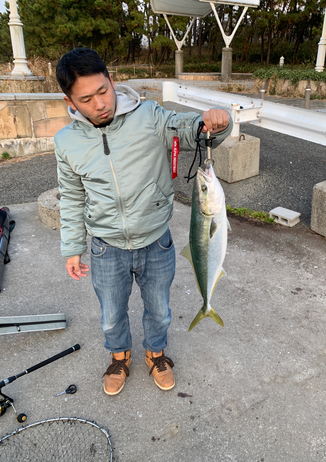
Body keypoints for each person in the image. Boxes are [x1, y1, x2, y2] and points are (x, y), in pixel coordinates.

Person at [54, 47, 232, 396]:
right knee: (110, 314)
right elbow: (72, 197)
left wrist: (213, 123)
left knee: (160, 310)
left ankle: (156, 352)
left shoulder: (149, 115)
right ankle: (119, 355)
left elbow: (190, 129)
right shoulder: (66, 142)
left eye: (103, 91)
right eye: (86, 99)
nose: (100, 104)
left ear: (112, 81)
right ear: (70, 100)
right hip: (106, 247)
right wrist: (72, 248)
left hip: (157, 240)